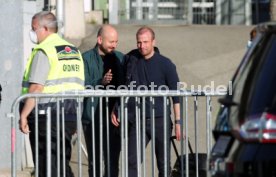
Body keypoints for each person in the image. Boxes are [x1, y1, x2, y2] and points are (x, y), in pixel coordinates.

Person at [19, 11, 85, 177]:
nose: (32, 33)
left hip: (46, 117)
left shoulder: (44, 51)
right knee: (61, 164)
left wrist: (24, 115)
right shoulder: (74, 51)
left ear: (46, 28)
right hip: (68, 115)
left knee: (46, 167)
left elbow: (36, 88)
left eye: (35, 29)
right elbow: (78, 85)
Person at [111, 26, 182, 177]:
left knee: (163, 164)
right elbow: (123, 87)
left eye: (145, 42)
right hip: (137, 121)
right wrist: (116, 108)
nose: (142, 46)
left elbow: (176, 95)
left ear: (153, 42)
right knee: (131, 161)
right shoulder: (131, 59)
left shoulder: (166, 64)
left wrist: (178, 123)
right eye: (139, 42)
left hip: (160, 121)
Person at [82, 24, 124, 177]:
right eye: (111, 41)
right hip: (91, 118)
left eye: (116, 42)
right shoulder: (85, 58)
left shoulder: (121, 57)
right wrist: (101, 82)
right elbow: (82, 86)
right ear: (100, 40)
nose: (114, 45)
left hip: (113, 119)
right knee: (94, 162)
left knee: (112, 161)